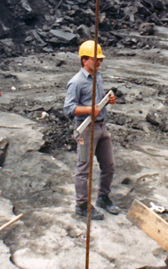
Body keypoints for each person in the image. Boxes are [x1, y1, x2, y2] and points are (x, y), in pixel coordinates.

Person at [64, 40, 120, 220]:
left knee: (109, 165)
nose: (99, 63)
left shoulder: (98, 77)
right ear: (84, 60)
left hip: (102, 127)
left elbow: (97, 101)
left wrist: (107, 101)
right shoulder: (76, 82)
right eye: (95, 60)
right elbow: (68, 109)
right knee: (83, 169)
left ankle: (103, 197)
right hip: (86, 130)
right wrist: (89, 109)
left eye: (100, 60)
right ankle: (81, 206)